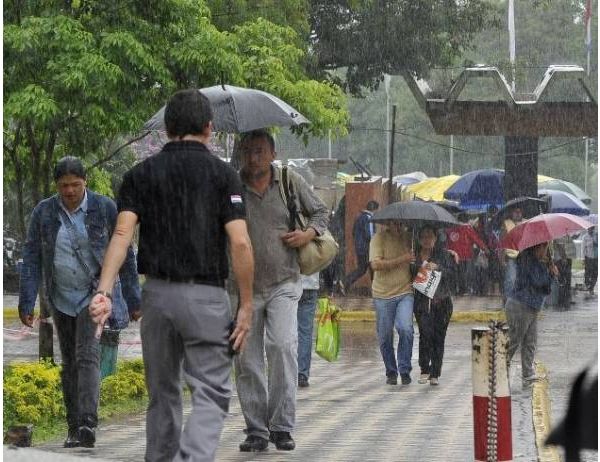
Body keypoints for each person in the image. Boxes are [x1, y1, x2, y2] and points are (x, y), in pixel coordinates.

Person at [88, 89, 255, 462]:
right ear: (210, 128)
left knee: (162, 393)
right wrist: (245, 305)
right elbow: (241, 244)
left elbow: (121, 235)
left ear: (166, 128)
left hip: (158, 298)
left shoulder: (139, 175)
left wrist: (104, 291)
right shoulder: (223, 176)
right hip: (206, 298)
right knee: (210, 392)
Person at [18, 156, 141, 449]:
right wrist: (27, 300)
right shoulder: (44, 212)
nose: (70, 191)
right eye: (64, 186)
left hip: (94, 296)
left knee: (87, 355)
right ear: (56, 186)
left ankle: (87, 423)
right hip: (61, 297)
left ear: (85, 182)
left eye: (75, 184)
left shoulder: (104, 208)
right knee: (69, 362)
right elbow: (32, 256)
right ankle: (73, 426)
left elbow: (125, 254)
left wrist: (134, 299)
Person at [234, 129, 329, 452]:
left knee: (282, 346)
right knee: (247, 360)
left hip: (284, 282)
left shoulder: (290, 181)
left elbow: (321, 212)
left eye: (260, 150)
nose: (254, 157)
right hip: (241, 289)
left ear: (273, 153)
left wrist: (308, 233)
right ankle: (257, 430)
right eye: (248, 151)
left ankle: (282, 426)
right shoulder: (231, 187)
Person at [505, 242, 558, 387]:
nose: (545, 252)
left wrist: (550, 273)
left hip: (532, 307)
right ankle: (499, 371)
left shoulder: (538, 262)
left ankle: (527, 373)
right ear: (537, 247)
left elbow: (545, 289)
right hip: (520, 305)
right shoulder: (527, 260)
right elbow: (538, 282)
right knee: (514, 340)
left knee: (530, 341)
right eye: (544, 248)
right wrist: (550, 274)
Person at [369, 222, 415, 386]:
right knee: (384, 336)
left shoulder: (410, 238)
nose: (398, 226)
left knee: (406, 329)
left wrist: (449, 253)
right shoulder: (378, 239)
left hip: (405, 291)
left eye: (400, 223)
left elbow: (425, 251)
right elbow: (375, 265)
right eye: (394, 222)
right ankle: (391, 370)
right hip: (382, 294)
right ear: (388, 223)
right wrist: (403, 259)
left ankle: (404, 369)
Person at [413, 225, 458, 386]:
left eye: (430, 236)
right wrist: (420, 267)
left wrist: (437, 267)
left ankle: (435, 373)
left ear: (435, 238)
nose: (427, 240)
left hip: (442, 302)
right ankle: (424, 368)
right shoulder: (414, 256)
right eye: (423, 237)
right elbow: (410, 274)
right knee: (425, 334)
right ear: (419, 239)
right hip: (422, 303)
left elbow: (453, 273)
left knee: (439, 337)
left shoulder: (444, 255)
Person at [445, 214, 489, 295]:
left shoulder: (451, 229)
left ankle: (455, 290)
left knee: (456, 273)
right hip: (465, 255)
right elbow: (476, 239)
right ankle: (463, 290)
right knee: (464, 273)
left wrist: (448, 251)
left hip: (453, 255)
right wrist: (485, 249)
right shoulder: (467, 228)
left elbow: (447, 241)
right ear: (467, 220)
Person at [344, 200, 379, 291]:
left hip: (360, 248)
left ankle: (346, 282)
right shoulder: (369, 218)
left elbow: (354, 232)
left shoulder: (360, 218)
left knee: (363, 269)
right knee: (371, 268)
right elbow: (369, 235)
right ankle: (376, 289)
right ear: (374, 209)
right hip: (367, 248)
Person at [297, 272, 320, 388]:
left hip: (289, 285)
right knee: (305, 333)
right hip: (311, 285)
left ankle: (287, 372)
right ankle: (302, 374)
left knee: (287, 331)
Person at [500, 206, 524, 299]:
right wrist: (502, 258)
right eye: (515, 212)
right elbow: (503, 242)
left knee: (522, 279)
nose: (518, 214)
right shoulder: (506, 224)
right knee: (511, 279)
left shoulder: (526, 222)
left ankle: (519, 299)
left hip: (524, 256)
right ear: (512, 213)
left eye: (519, 212)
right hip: (511, 256)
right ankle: (508, 299)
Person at [582, 227, 598, 295]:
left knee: (595, 273)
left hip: (596, 257)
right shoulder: (585, 237)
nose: (590, 230)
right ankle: (587, 284)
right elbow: (583, 248)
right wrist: (583, 259)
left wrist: (596, 242)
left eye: (592, 228)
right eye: (589, 229)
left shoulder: (597, 235)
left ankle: (592, 288)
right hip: (588, 257)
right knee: (588, 272)